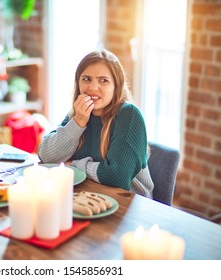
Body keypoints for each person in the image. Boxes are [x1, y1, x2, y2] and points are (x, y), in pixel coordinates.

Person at [38, 49, 154, 198]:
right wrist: (78, 122)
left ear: (116, 86)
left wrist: (74, 165)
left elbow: (117, 177)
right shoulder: (79, 113)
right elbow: (46, 156)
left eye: (103, 80)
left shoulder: (129, 115)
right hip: (88, 195)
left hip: (132, 204)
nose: (92, 88)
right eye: (86, 79)